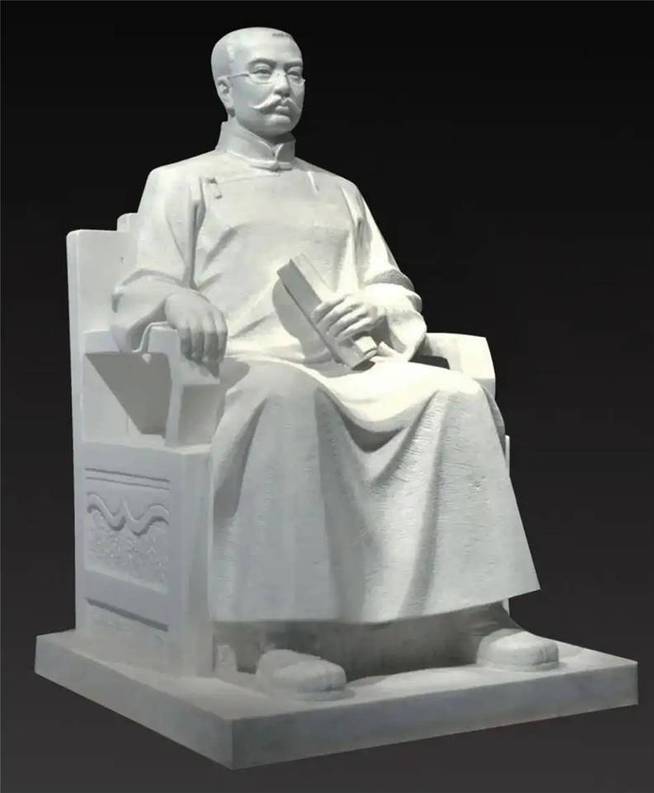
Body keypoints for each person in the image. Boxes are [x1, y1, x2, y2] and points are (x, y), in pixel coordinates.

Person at [111, 27, 558, 699]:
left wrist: (376, 307)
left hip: (350, 367)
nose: (282, 87)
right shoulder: (182, 182)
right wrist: (177, 298)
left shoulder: (338, 191)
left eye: (294, 73)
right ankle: (279, 634)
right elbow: (142, 283)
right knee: (287, 398)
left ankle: (473, 617)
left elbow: (392, 284)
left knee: (455, 397)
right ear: (225, 90)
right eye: (263, 72)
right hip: (245, 369)